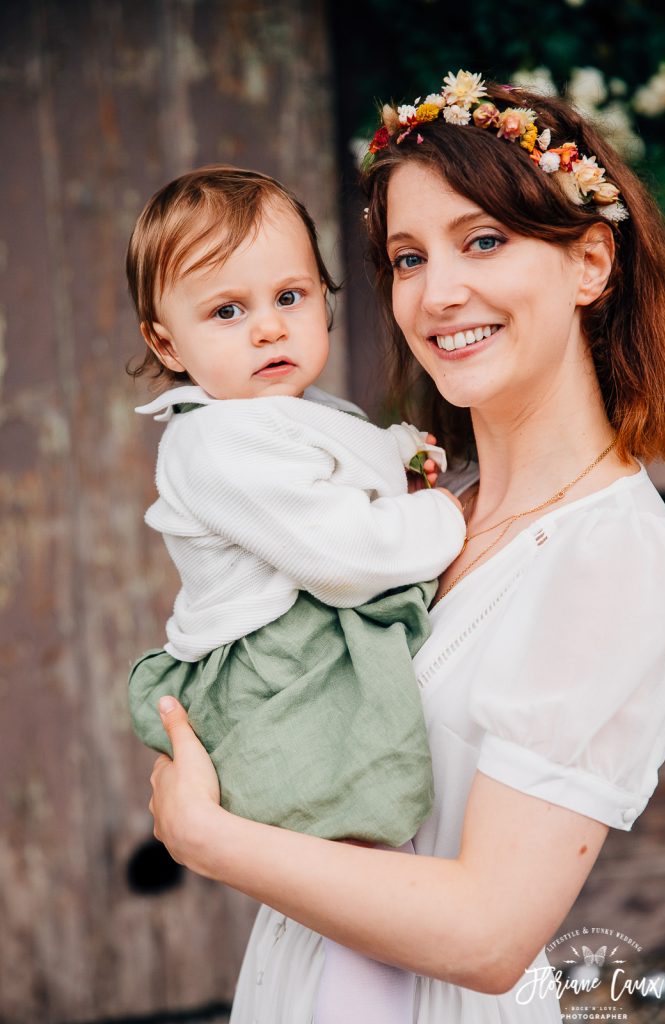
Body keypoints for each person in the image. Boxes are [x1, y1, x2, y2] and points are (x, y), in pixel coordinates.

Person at [145, 72, 665, 1023]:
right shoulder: (430, 507)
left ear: (591, 262)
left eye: (483, 241)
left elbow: (488, 933)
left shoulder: (615, 554)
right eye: (405, 257)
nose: (438, 292)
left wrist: (208, 836)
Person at [126, 165, 467, 1024]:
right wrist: (443, 516)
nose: (268, 328)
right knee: (358, 845)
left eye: (291, 294)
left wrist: (398, 461)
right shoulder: (218, 443)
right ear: (167, 344)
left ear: (325, 295)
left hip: (309, 642)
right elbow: (343, 551)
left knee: (367, 857)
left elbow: (339, 473)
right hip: (281, 667)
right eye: (226, 311)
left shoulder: (294, 409)